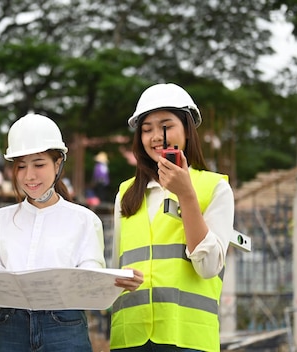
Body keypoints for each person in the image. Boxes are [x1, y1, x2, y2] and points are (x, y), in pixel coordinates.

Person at [0, 113, 143, 352]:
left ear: (58, 164)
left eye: (39, 164)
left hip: (64, 327)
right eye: (21, 166)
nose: (29, 176)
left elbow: (90, 275)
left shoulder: (84, 220)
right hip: (10, 327)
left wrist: (114, 282)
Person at [110, 83, 235, 352]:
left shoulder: (214, 188)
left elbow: (209, 267)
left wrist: (186, 195)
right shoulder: (126, 194)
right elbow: (113, 268)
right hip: (129, 336)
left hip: (188, 338)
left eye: (166, 125)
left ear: (187, 131)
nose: (156, 136)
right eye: (147, 129)